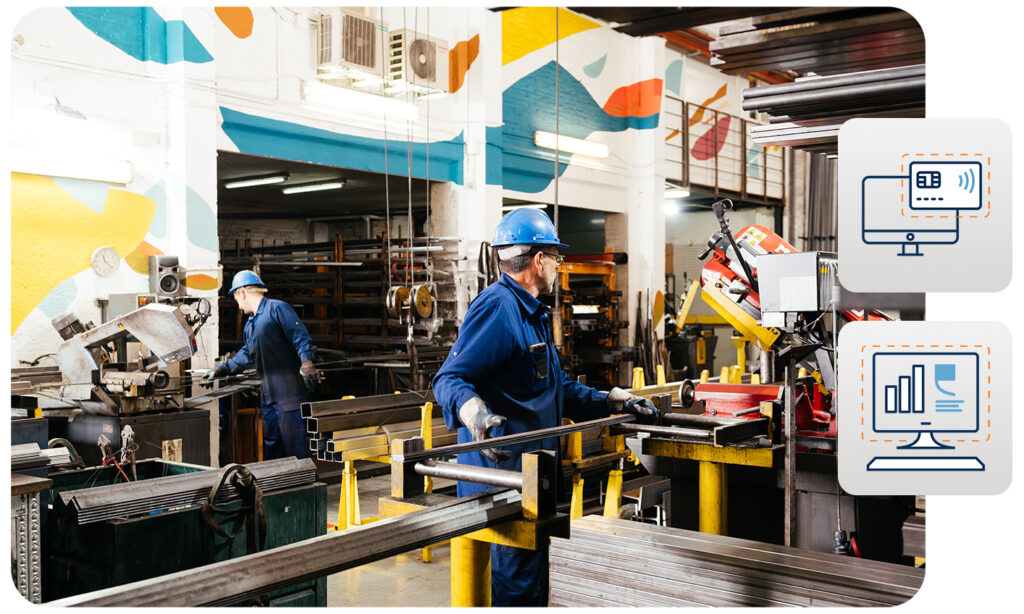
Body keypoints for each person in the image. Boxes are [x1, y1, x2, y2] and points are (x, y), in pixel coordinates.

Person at [432, 209, 657, 607]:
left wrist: (610, 399)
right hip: (504, 479)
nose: (558, 265)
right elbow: (449, 379)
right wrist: (475, 416)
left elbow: (553, 389)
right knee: (518, 587)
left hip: (534, 478)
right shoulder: (498, 308)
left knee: (530, 579)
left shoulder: (532, 312)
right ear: (539, 260)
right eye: (556, 257)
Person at [202, 270, 321, 460]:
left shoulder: (277, 309)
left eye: (235, 297)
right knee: (272, 448)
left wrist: (307, 362)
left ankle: (306, 487)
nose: (237, 304)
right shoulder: (251, 325)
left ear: (242, 293)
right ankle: (276, 487)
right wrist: (220, 370)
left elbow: (300, 337)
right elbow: (247, 354)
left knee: (295, 449)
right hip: (268, 397)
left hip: (288, 395)